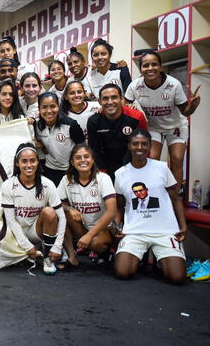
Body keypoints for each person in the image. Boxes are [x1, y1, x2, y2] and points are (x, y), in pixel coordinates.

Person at [113, 129, 187, 284]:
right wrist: (116, 225)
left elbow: (175, 199)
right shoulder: (120, 173)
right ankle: (140, 258)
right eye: (135, 143)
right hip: (135, 231)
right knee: (122, 272)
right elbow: (119, 206)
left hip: (164, 231)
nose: (139, 147)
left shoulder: (161, 168)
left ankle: (162, 259)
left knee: (177, 277)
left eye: (144, 144)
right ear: (129, 146)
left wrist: (183, 225)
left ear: (149, 146)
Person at [125, 51, 201, 187]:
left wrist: (193, 106)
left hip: (176, 126)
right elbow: (124, 105)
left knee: (177, 159)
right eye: (145, 65)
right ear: (141, 69)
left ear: (160, 67)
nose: (150, 68)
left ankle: (175, 196)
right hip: (153, 127)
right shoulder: (135, 86)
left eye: (154, 64)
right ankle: (155, 191)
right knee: (153, 159)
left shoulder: (174, 84)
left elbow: (185, 111)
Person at [1, 143, 66, 275]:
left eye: (32, 160)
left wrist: (57, 246)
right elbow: (11, 220)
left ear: (38, 162)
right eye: (24, 161)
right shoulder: (8, 185)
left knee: (49, 212)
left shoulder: (47, 184)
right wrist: (26, 245)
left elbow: (62, 217)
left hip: (36, 232)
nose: (29, 165)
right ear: (17, 163)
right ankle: (29, 251)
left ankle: (48, 257)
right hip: (15, 233)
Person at [58, 144, 116, 269]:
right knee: (61, 214)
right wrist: (69, 209)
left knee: (97, 244)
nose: (83, 160)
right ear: (72, 162)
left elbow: (112, 212)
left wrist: (89, 236)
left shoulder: (103, 178)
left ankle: (104, 253)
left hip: (102, 229)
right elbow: (57, 204)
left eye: (86, 157)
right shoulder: (66, 179)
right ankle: (71, 256)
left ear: (93, 160)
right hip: (81, 227)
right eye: (78, 158)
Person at [87, 84, 148, 178]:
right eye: (105, 98)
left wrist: (140, 169)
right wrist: (102, 174)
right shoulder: (93, 121)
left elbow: (144, 146)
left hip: (132, 165)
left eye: (114, 97)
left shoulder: (137, 117)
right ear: (99, 101)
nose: (110, 102)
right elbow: (94, 149)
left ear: (122, 99)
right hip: (106, 167)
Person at [35, 92, 85, 186]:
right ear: (39, 109)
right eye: (44, 107)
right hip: (50, 170)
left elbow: (82, 148)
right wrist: (42, 146)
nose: (49, 111)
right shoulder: (37, 126)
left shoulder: (71, 125)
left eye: (53, 106)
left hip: (71, 169)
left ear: (58, 107)